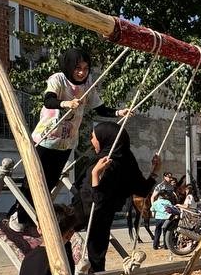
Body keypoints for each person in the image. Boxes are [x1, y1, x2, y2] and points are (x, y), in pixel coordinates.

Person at [29, 48, 128, 195]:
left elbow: (100, 109)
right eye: (78, 68)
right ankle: (18, 209)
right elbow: (48, 101)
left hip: (66, 143)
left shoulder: (87, 85)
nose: (82, 73)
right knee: (34, 180)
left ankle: (36, 210)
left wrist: (119, 112)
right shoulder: (58, 79)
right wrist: (67, 103)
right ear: (69, 67)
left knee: (51, 181)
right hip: (46, 138)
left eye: (86, 68)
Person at [87, 122, 160, 275]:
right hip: (103, 215)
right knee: (97, 244)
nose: (91, 141)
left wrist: (95, 175)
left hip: (92, 213)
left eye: (93, 137)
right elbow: (142, 189)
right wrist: (154, 172)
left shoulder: (108, 164)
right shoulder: (127, 160)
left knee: (93, 242)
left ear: (105, 139)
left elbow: (98, 200)